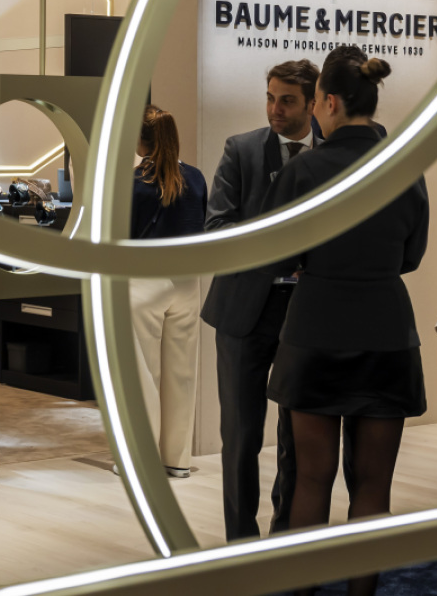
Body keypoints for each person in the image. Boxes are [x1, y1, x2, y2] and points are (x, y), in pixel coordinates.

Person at [265, 49, 428, 596]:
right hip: (386, 330)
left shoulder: (304, 169)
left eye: (314, 101)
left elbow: (277, 253)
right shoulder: (404, 166)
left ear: (329, 102)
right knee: (373, 486)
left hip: (316, 328)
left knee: (311, 480)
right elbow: (411, 256)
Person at [202, 59, 342, 540]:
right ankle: (240, 544)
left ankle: (286, 537)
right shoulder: (241, 150)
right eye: (269, 98)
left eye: (286, 100)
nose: (274, 109)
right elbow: (217, 226)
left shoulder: (334, 155)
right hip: (243, 310)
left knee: (297, 438)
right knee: (240, 437)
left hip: (308, 312)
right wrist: (279, 249)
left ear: (313, 103)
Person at [128, 105, 208, 478]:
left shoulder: (133, 182)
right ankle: (177, 459)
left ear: (142, 139)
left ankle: (142, 460)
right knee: (182, 374)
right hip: (187, 283)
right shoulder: (196, 178)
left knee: (143, 374)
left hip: (144, 280)